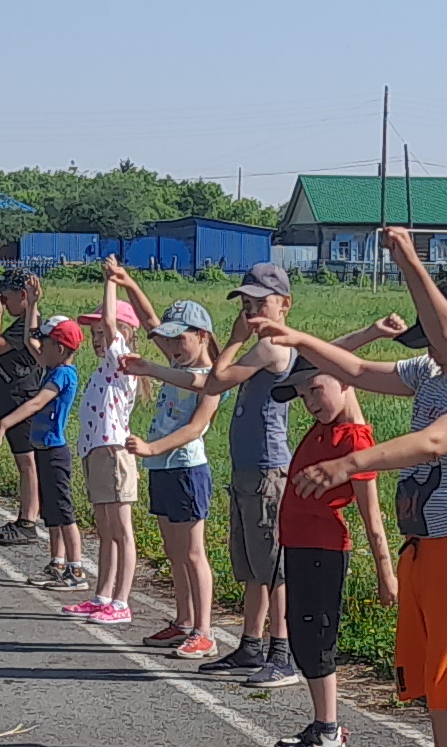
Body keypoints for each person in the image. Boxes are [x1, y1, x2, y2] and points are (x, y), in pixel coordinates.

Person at [276, 254, 447, 747]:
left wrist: (349, 462)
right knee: (433, 672)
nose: (431, 350)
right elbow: (356, 369)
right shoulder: (433, 372)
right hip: (425, 543)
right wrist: (299, 337)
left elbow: (432, 443)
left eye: (440, 338)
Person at [265, 361, 395, 747]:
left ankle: (329, 731)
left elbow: (372, 516)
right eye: (303, 396)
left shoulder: (355, 440)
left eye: (315, 389)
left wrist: (385, 572)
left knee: (316, 637)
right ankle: (323, 722)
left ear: (344, 383)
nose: (310, 402)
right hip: (301, 546)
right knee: (302, 637)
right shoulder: (325, 429)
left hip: (323, 551)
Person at [207, 264, 302, 686]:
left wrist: (233, 341)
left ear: (284, 305)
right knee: (250, 564)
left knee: (272, 566)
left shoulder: (270, 347)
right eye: (246, 306)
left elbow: (216, 380)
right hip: (250, 469)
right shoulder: (262, 345)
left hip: (267, 469)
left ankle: (280, 649)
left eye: (260, 304)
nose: (251, 313)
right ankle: (250, 643)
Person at [125, 293, 227, 658]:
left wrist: (153, 448)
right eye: (168, 341)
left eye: (179, 339)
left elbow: (196, 428)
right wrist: (126, 283)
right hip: (163, 470)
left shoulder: (212, 377)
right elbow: (151, 320)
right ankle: (183, 621)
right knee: (173, 550)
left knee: (193, 553)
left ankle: (204, 630)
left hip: (186, 469)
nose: (172, 347)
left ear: (202, 335)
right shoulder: (175, 363)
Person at [65, 266, 153, 626]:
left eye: (102, 332)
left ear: (123, 334)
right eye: (93, 333)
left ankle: (121, 600)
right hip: (96, 453)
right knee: (105, 531)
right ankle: (102, 594)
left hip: (114, 452)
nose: (97, 338)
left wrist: (110, 283)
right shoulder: (104, 367)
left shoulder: (121, 362)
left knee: (121, 531)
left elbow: (115, 327)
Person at [0, 314, 87, 584]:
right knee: (51, 511)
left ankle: (76, 568)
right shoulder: (53, 367)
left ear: (60, 349)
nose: (40, 348)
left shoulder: (63, 374)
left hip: (54, 450)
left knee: (64, 512)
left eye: (46, 344)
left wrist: (5, 423)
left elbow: (37, 403)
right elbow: (29, 340)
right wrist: (33, 303)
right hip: (42, 448)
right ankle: (56, 563)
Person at [0, 268, 49, 544]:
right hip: (13, 398)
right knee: (24, 462)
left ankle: (28, 520)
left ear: (23, 295)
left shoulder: (26, 325)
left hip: (22, 398)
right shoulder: (22, 321)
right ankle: (25, 516)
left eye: (6, 298)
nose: (3, 303)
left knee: (27, 462)